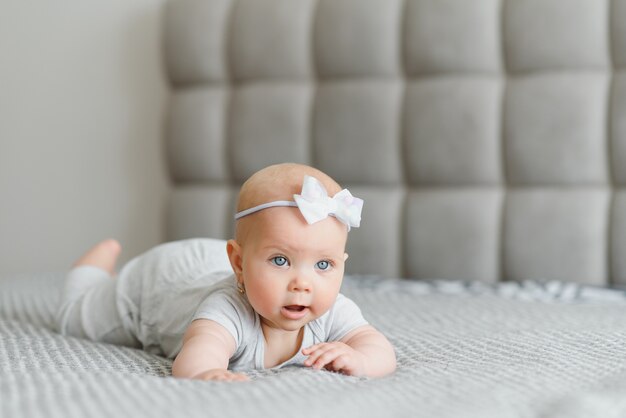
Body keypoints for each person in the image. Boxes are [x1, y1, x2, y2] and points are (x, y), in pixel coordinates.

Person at [55, 163, 397, 381]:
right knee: (76, 320)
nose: (302, 284)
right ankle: (91, 270)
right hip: (162, 281)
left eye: (324, 265)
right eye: (280, 260)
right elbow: (196, 357)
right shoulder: (225, 310)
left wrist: (360, 360)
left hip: (211, 262)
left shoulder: (332, 310)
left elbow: (379, 349)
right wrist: (209, 373)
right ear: (239, 264)